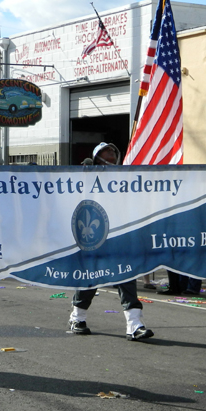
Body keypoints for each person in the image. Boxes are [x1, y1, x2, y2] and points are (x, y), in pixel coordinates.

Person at [68, 142, 154, 341]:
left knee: (127, 278)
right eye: (106, 153)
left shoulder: (124, 178)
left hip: (119, 237)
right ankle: (77, 317)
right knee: (89, 279)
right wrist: (84, 172)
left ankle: (134, 325)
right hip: (94, 237)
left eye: (113, 153)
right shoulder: (87, 175)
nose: (111, 156)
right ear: (97, 156)